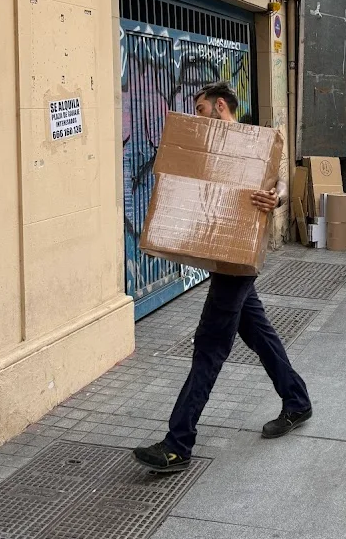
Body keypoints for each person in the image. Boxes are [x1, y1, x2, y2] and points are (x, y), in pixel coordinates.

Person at [133, 82, 312, 473]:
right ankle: (297, 401)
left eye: (200, 108)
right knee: (258, 334)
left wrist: (277, 197)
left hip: (237, 263)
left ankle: (178, 444)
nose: (197, 115)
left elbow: (280, 178)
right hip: (227, 261)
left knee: (209, 348)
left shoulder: (251, 141)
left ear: (219, 106)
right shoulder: (209, 146)